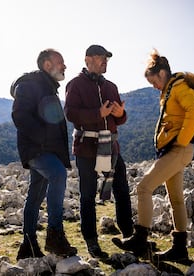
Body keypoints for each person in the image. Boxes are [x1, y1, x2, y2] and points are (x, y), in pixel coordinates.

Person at [112, 49, 194, 263]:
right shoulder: (169, 89)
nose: (154, 86)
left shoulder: (180, 87)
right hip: (173, 151)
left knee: (144, 187)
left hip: (178, 150)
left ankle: (139, 239)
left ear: (162, 72)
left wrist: (181, 141)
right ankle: (180, 249)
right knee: (176, 200)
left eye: (153, 81)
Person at [64, 45, 134, 258]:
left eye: (106, 59)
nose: (105, 61)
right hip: (86, 149)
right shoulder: (74, 84)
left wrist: (121, 114)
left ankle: (129, 235)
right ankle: (92, 242)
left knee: (122, 190)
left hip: (111, 147)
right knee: (87, 196)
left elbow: (119, 118)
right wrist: (97, 113)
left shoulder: (111, 86)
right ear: (88, 60)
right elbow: (70, 114)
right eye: (101, 58)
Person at [11, 49, 77, 260]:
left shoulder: (49, 87)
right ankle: (55, 236)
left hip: (46, 150)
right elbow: (19, 116)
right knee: (57, 174)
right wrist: (42, 139)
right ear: (48, 65)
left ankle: (28, 245)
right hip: (38, 150)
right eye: (61, 62)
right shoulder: (29, 85)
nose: (65, 66)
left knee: (36, 194)